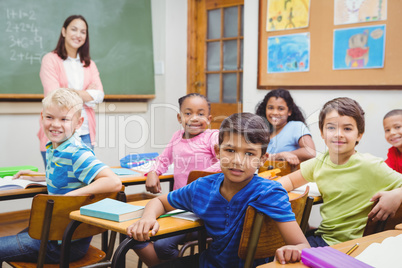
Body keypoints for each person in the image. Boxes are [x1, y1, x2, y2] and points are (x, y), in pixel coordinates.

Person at [128, 113, 310, 267]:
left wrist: (293, 249)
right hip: (209, 263)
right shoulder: (202, 187)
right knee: (132, 239)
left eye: (249, 153)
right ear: (217, 152)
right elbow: (159, 201)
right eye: (230, 150)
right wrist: (148, 218)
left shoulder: (269, 193)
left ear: (262, 159)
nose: (238, 160)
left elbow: (303, 245)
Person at [0, 88, 122, 264]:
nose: (55, 124)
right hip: (56, 235)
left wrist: (69, 197)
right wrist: (36, 176)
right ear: (42, 116)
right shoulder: (58, 146)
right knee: (19, 236)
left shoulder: (76, 152)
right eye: (50, 117)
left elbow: (113, 181)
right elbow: (66, 174)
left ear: (78, 122)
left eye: (64, 119)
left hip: (63, 245)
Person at [278, 97, 402, 247]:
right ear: (322, 133)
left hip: (347, 245)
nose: (338, 134)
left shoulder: (369, 165)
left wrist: (397, 194)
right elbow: (290, 181)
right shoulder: (319, 162)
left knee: (283, 252)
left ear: (359, 135)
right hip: (325, 236)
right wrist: (266, 189)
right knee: (282, 245)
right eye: (331, 128)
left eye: (347, 129)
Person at [135, 93, 221, 265]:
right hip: (178, 206)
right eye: (188, 113)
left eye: (201, 114)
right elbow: (163, 160)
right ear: (179, 117)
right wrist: (153, 172)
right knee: (135, 234)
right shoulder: (177, 137)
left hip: (203, 208)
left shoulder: (213, 137)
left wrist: (198, 177)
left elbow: (225, 162)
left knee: (162, 245)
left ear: (209, 118)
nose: (194, 118)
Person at [38, 15, 104, 166]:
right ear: (64, 31)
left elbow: (99, 95)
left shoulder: (89, 64)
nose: (78, 35)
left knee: (84, 183)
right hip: (57, 130)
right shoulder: (50, 60)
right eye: (74, 29)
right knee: (58, 183)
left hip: (85, 132)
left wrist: (68, 92)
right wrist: (86, 93)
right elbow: (54, 96)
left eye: (83, 32)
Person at [255, 88, 315, 165]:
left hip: (288, 175)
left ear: (289, 111)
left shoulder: (296, 126)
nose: (275, 112)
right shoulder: (265, 132)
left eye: (280, 109)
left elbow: (310, 152)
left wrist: (282, 154)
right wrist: (279, 155)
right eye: (270, 108)